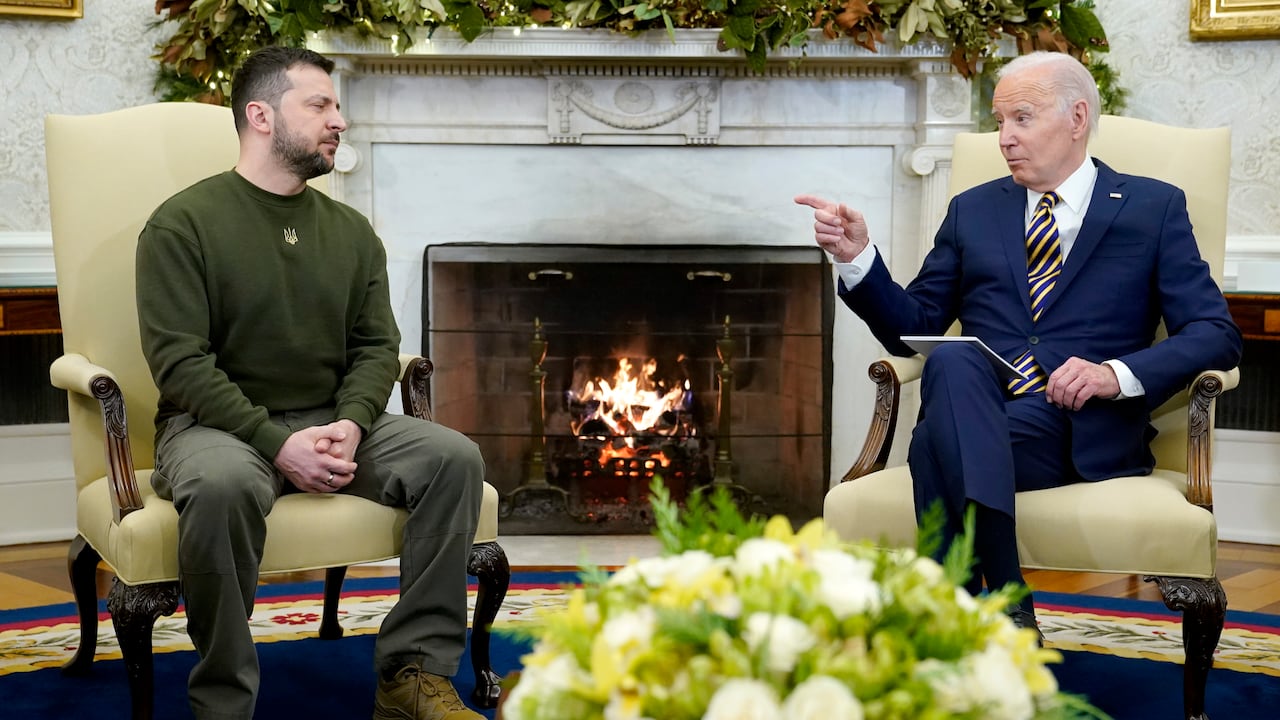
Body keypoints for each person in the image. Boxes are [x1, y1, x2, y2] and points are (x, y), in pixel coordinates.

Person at [795, 51, 1242, 641]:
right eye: (999, 121)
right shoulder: (972, 211)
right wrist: (858, 261)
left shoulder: (1152, 208)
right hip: (985, 408)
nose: (1004, 138)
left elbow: (1216, 334)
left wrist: (1115, 374)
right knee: (953, 356)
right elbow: (918, 322)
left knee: (934, 442)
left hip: (1081, 426)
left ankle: (948, 607)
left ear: (1077, 117)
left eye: (1021, 119)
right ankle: (1007, 597)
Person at [136, 46, 486, 720]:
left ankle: (412, 677)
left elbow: (378, 345)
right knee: (222, 484)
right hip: (214, 430)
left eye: (337, 105)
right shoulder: (182, 225)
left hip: (334, 419)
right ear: (261, 115)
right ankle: (223, 701)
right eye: (320, 104)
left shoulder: (352, 233)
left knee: (452, 459)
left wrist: (353, 422)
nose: (340, 121)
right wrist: (276, 443)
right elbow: (181, 363)